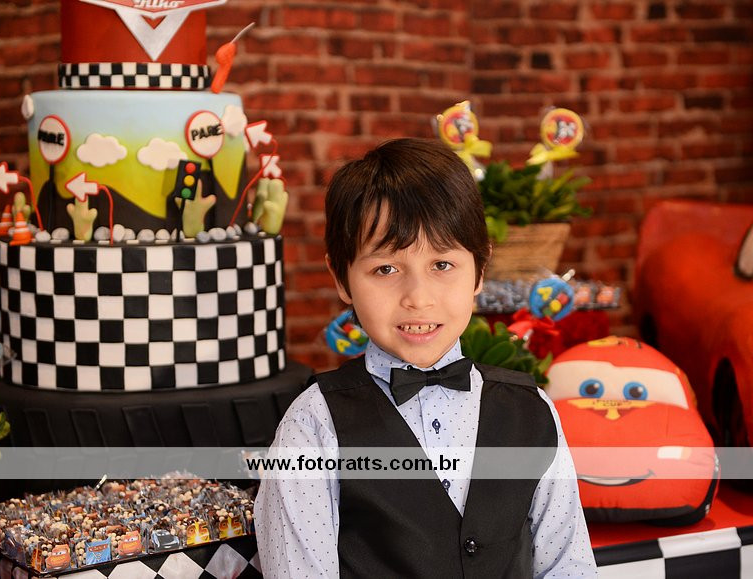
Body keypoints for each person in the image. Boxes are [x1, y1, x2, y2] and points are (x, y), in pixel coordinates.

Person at [254, 138, 597, 578]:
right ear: (342, 279)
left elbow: (569, 565)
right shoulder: (313, 425)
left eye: (441, 265)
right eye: (386, 269)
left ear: (480, 269)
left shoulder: (531, 410)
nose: (418, 298)